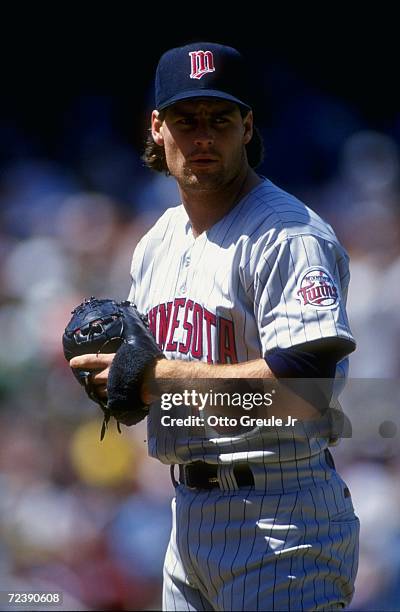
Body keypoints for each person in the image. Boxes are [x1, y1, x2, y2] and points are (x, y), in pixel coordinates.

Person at [71, 42, 359, 611]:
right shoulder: (157, 242)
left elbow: (306, 390)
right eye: (186, 119)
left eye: (220, 119)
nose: (203, 137)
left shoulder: (288, 236)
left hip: (283, 524)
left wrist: (161, 377)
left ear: (247, 126)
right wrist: (116, 381)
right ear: (157, 127)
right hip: (185, 521)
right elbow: (151, 385)